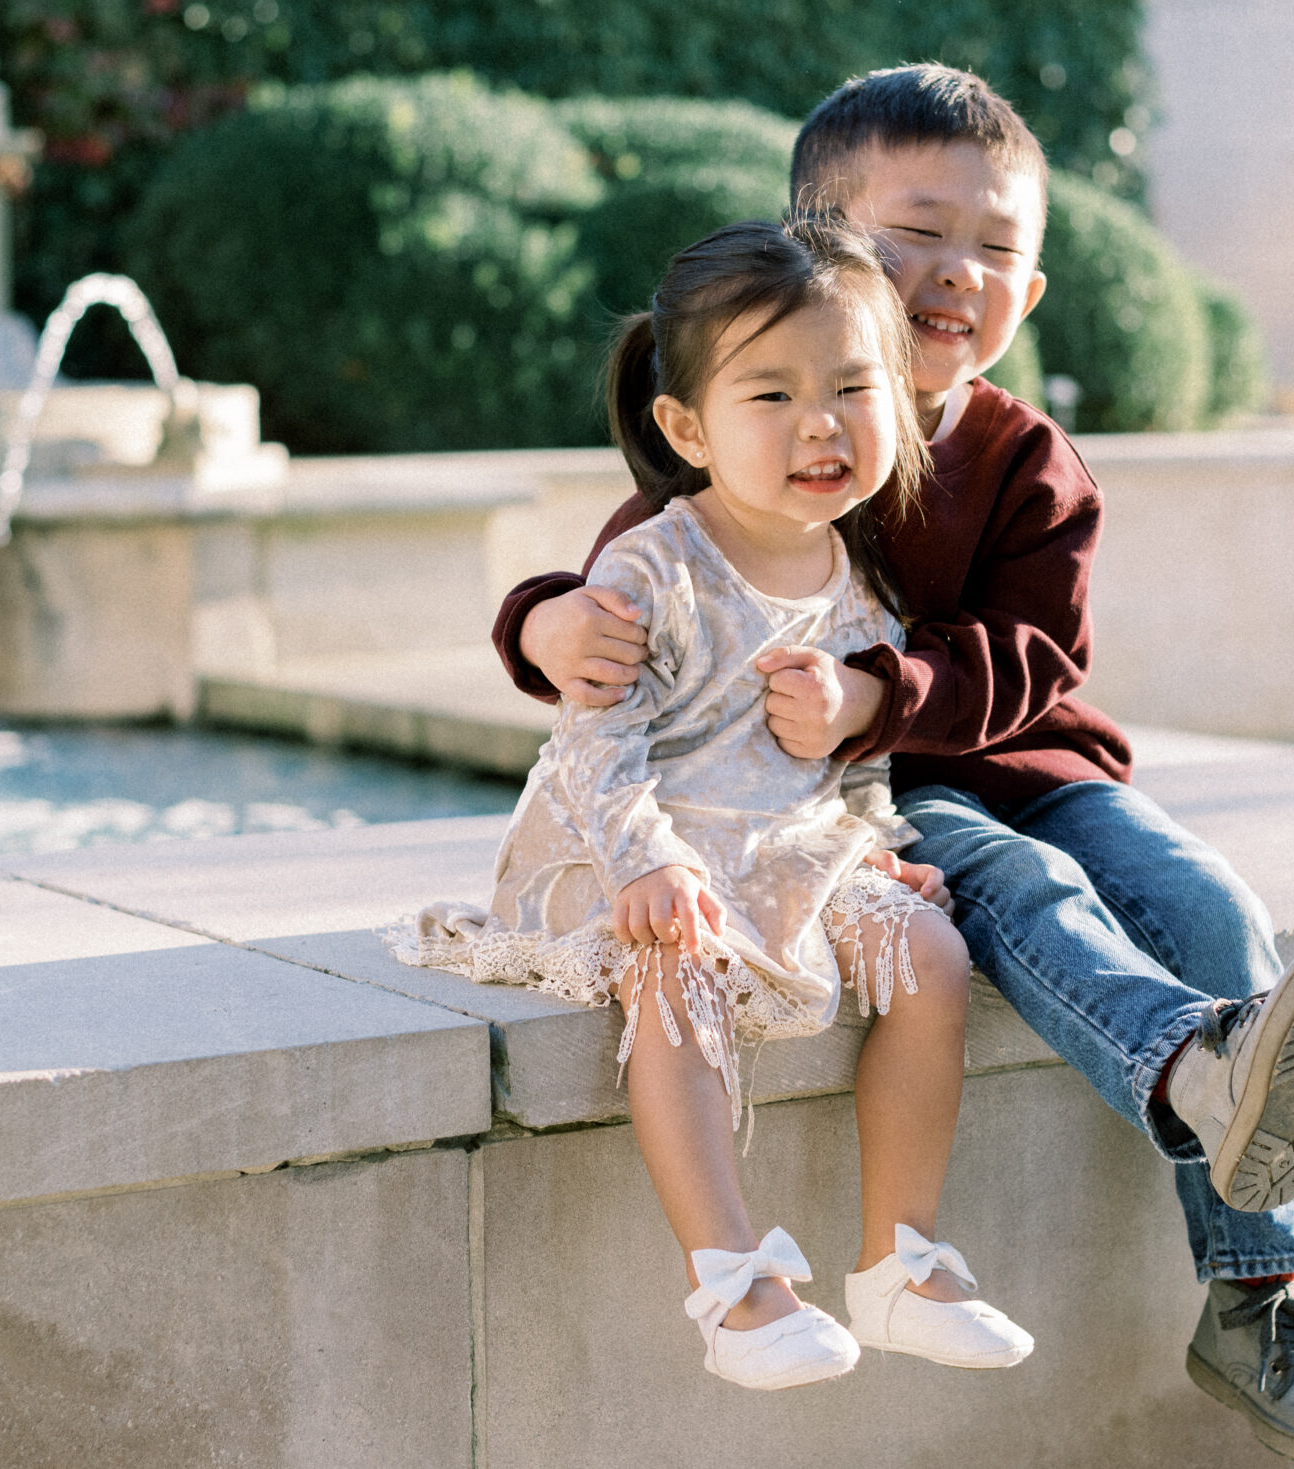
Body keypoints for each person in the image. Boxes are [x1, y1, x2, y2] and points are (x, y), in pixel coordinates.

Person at [495, 67, 1294, 1466]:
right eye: (918, 232)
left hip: (1027, 755)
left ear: (1028, 297)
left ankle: (1261, 1298)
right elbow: (641, 573)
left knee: (1208, 906)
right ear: (822, 243)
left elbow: (1043, 653)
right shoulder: (766, 416)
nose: (957, 272)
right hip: (878, 799)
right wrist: (538, 616)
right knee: (1015, 887)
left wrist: (883, 687)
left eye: (997, 249)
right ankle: (1183, 1076)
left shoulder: (1024, 454)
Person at [397, 216, 1036, 1392]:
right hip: (632, 844)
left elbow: (852, 760)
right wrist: (645, 860)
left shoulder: (858, 572)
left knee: (929, 950)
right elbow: (595, 742)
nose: (820, 422)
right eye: (771, 394)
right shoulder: (652, 564)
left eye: (853, 385)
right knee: (672, 958)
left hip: (786, 846)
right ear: (687, 426)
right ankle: (733, 1277)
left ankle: (898, 1255)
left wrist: (874, 844)